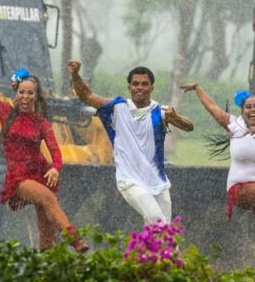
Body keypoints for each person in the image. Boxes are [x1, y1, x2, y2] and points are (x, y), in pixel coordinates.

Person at [0, 41, 87, 252]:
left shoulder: (42, 123)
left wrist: (56, 168)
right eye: (22, 92)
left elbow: (55, 151)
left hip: (40, 172)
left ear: (36, 96)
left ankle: (46, 261)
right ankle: (77, 242)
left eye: (30, 93)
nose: (25, 97)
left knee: (46, 227)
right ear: (16, 93)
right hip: (19, 177)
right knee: (48, 198)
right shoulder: (5, 111)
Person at [180, 82, 255, 268]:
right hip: (241, 187)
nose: (252, 110)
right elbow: (212, 107)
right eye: (248, 107)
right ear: (242, 110)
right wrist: (198, 88)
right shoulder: (233, 125)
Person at [69, 60, 194, 224]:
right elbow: (86, 96)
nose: (139, 87)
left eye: (144, 84)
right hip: (130, 181)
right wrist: (75, 74)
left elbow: (189, 127)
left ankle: (148, 243)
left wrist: (176, 118)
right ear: (129, 88)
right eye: (135, 84)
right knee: (158, 222)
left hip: (158, 182)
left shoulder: (160, 111)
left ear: (151, 88)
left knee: (162, 232)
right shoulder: (118, 107)